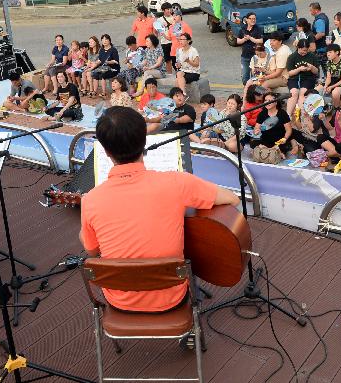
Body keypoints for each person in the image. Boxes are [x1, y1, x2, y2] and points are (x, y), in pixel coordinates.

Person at [79, 107, 240, 313]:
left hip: (120, 300)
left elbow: (92, 250)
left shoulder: (91, 200)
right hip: (172, 296)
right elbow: (232, 199)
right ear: (145, 140)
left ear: (106, 150)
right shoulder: (176, 183)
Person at [250, 91, 293, 162]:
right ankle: (272, 151)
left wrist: (284, 138)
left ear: (276, 102)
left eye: (270, 100)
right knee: (253, 142)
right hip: (265, 139)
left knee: (284, 144)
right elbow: (256, 128)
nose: (267, 102)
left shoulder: (282, 113)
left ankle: (269, 151)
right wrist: (256, 131)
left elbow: (289, 130)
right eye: (266, 100)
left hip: (278, 140)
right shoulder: (262, 113)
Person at [285, 39, 319, 117]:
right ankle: (288, 115)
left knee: (303, 93)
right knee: (294, 93)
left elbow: (316, 71)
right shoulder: (292, 57)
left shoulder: (312, 56)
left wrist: (312, 67)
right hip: (294, 78)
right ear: (298, 48)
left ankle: (302, 115)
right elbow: (290, 73)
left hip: (308, 78)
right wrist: (299, 69)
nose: (304, 52)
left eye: (306, 50)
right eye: (303, 50)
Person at [236, 12, 263, 85]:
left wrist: (250, 38)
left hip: (256, 57)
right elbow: (238, 41)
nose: (253, 20)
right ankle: (246, 90)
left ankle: (255, 92)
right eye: (251, 19)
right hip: (245, 57)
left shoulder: (258, 28)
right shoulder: (243, 28)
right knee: (245, 76)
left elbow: (261, 41)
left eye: (254, 19)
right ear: (247, 20)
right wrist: (244, 39)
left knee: (256, 76)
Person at [310, 2, 331, 68]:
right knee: (326, 68)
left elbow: (321, 33)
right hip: (323, 47)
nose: (310, 12)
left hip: (320, 49)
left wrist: (312, 41)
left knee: (317, 69)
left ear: (316, 10)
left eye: (311, 10)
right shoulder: (324, 16)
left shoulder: (319, 20)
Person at [157, 3, 176, 73]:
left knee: (175, 60)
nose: (169, 10)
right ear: (163, 10)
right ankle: (170, 75)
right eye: (167, 9)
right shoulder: (159, 20)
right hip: (164, 42)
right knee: (167, 61)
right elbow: (158, 31)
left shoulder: (175, 18)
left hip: (174, 42)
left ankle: (179, 74)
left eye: (170, 9)